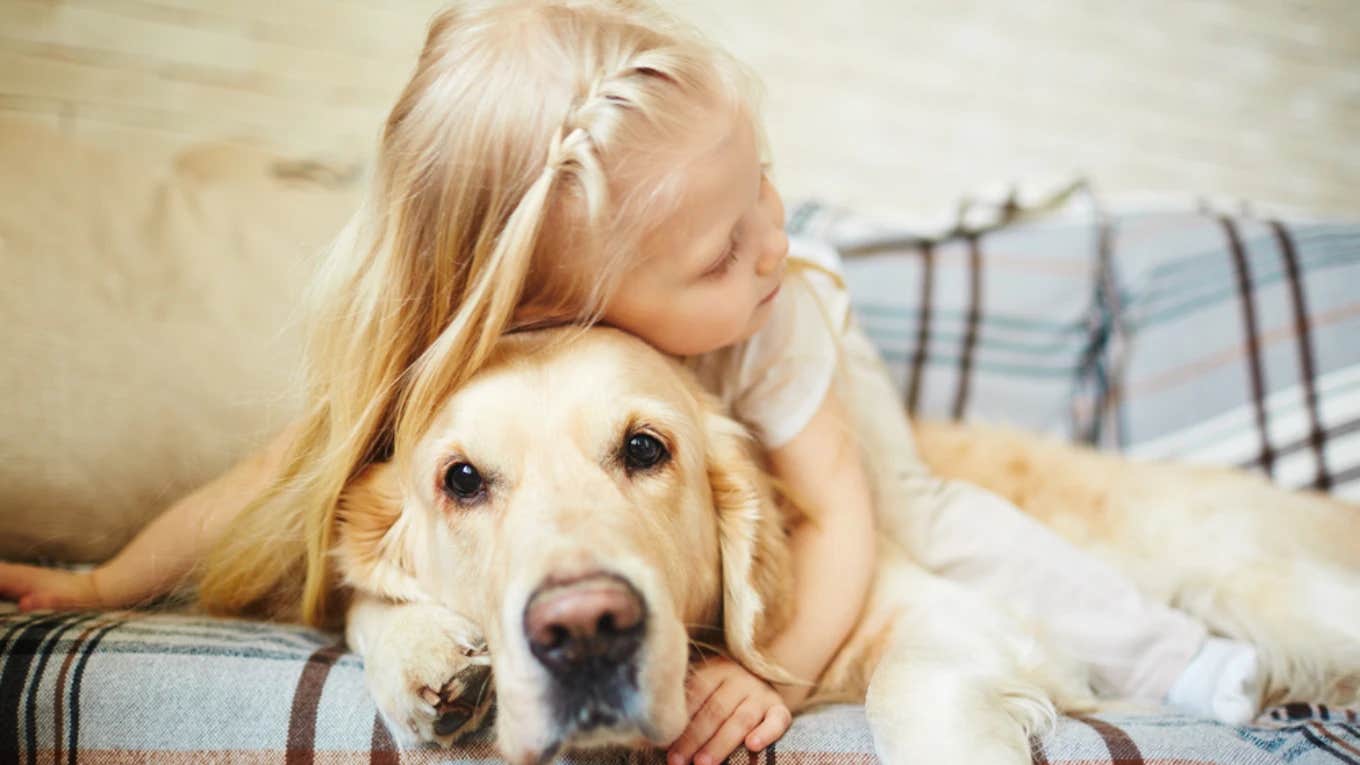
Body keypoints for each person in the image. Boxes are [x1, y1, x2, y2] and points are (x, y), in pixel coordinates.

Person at [0, 2, 1260, 762]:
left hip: (846, 436)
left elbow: (836, 516)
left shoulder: (773, 318)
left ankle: (1186, 663)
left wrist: (759, 672)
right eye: (469, 482)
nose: (579, 601)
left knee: (944, 526)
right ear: (590, 291)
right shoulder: (430, 398)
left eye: (640, 452)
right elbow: (275, 492)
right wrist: (105, 584)